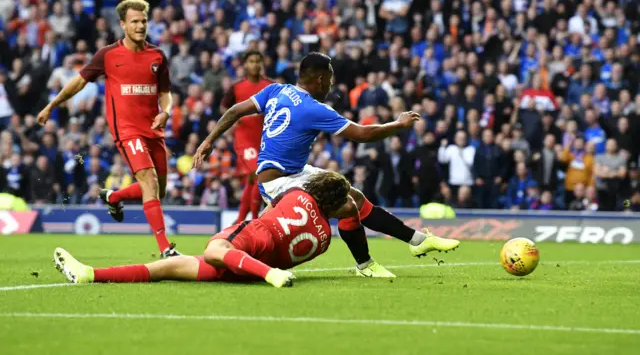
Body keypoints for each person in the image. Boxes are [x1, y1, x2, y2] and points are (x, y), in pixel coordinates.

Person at [193, 52, 460, 278]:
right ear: (320, 80)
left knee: (354, 196)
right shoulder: (314, 109)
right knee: (346, 206)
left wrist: (208, 141)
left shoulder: (277, 89)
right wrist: (398, 124)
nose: (331, 86)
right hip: (279, 184)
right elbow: (363, 134)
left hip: (295, 172)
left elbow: (234, 111)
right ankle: (365, 265)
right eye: (330, 80)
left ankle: (417, 241)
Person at [36, 0, 179, 258]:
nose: (140, 26)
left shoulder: (157, 56)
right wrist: (52, 106)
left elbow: (166, 93)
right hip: (126, 130)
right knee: (148, 180)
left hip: (153, 130)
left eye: (144, 21)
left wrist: (166, 111)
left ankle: (114, 197)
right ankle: (165, 249)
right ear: (123, 24)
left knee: (159, 188)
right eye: (134, 21)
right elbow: (78, 82)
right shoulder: (108, 55)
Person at [53, 172, 350, 288]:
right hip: (254, 265)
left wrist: (268, 268)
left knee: (214, 249)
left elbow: (266, 214)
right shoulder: (325, 239)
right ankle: (90, 274)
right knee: (167, 267)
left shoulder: (298, 193)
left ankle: (269, 275)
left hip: (254, 239)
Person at [221, 51, 272, 224]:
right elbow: (224, 107)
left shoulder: (270, 86)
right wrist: (232, 122)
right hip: (244, 139)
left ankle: (240, 221)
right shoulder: (237, 87)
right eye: (251, 61)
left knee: (252, 181)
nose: (255, 65)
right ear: (245, 65)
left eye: (258, 61)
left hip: (264, 140)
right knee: (258, 175)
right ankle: (256, 221)